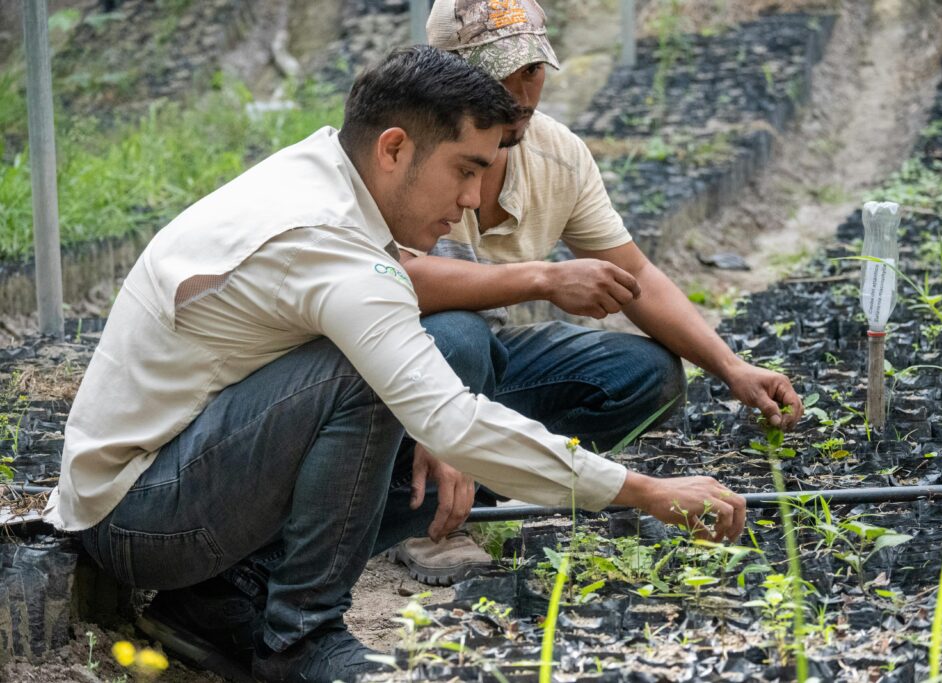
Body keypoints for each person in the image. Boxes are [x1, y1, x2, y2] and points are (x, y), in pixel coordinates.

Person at [43, 46, 747, 683]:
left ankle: (227, 605)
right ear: (393, 148)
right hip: (142, 514)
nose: (473, 199)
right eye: (465, 170)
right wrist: (646, 490)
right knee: (370, 373)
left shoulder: (322, 176)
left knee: (423, 397)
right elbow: (449, 420)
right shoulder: (331, 243)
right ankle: (300, 637)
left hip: (182, 476)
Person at [386, 0, 804, 586]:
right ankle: (426, 519)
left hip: (489, 358)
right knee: (457, 332)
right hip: (390, 373)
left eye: (531, 70)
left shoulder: (557, 155)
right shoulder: (404, 150)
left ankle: (493, 473)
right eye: (496, 74)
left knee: (646, 373)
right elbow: (400, 282)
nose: (520, 93)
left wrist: (730, 368)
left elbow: (637, 276)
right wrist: (546, 278)